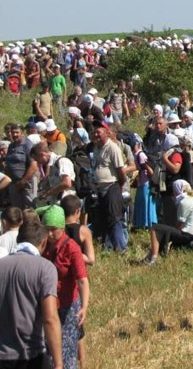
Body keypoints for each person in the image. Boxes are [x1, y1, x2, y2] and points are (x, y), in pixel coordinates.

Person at [0, 220, 63, 369]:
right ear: (43, 242)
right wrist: (59, 363)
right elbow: (50, 318)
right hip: (31, 355)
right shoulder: (45, 268)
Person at [40, 205, 89, 369]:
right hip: (48, 302)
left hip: (68, 303)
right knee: (48, 347)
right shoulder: (42, 246)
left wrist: (84, 306)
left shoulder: (71, 247)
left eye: (53, 230)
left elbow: (82, 279)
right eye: (47, 230)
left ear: (62, 228)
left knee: (67, 349)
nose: (50, 234)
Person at [91, 124, 127, 251]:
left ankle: (120, 248)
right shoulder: (97, 147)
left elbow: (121, 171)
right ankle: (108, 247)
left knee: (114, 217)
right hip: (100, 188)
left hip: (112, 186)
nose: (96, 135)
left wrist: (119, 186)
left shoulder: (113, 148)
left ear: (106, 133)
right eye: (94, 132)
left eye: (98, 132)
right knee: (104, 218)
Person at [150, 179, 193, 261]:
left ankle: (153, 257)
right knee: (167, 230)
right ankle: (161, 253)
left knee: (155, 227)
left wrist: (170, 234)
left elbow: (180, 224)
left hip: (187, 234)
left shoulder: (184, 202)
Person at [32, 140, 76, 206]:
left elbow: (67, 183)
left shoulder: (62, 161)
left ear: (42, 154)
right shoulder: (52, 166)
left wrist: (48, 193)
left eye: (37, 160)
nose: (38, 163)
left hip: (67, 202)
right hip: (56, 203)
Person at [6, 123, 38, 209]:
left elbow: (34, 166)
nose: (14, 135)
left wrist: (23, 182)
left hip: (26, 182)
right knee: (16, 210)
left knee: (30, 209)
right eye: (13, 132)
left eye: (17, 132)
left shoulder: (28, 145)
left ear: (22, 133)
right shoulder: (11, 146)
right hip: (13, 183)